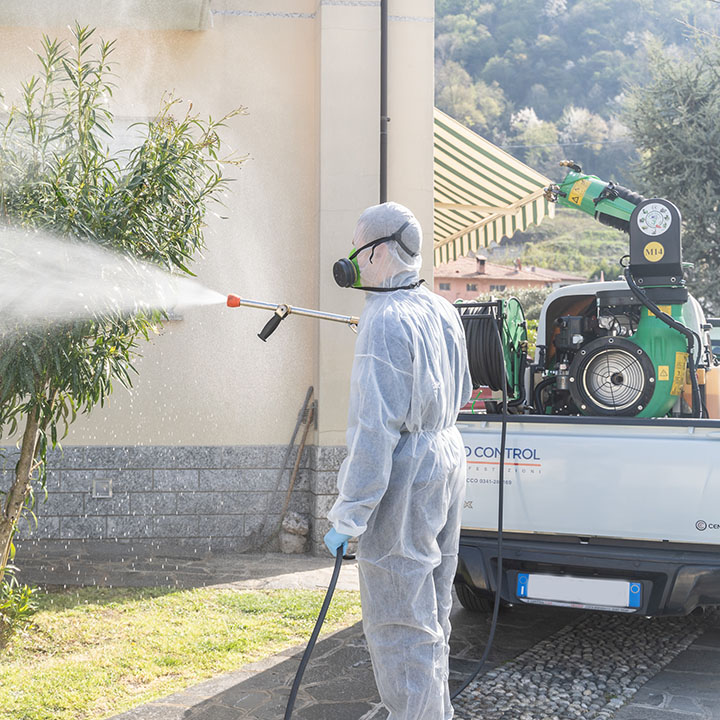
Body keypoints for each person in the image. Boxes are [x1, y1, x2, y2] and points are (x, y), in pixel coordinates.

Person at [325, 201, 472, 720]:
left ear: (380, 251)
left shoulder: (384, 321)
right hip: (447, 455)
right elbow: (463, 389)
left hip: (409, 472)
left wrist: (349, 515)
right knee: (432, 607)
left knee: (400, 618)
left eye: (357, 249)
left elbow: (374, 431)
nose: (352, 259)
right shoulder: (442, 308)